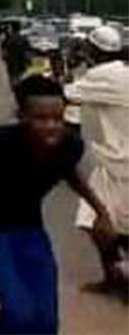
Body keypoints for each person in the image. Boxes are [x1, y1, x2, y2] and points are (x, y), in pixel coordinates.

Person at [0, 74, 115, 333]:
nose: (51, 126)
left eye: (57, 119)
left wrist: (100, 210)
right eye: (40, 118)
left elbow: (67, 171)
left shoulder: (69, 144)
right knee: (20, 314)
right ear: (22, 116)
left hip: (30, 228)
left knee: (46, 322)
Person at [64, 26, 129, 299]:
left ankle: (120, 275)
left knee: (103, 222)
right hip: (112, 163)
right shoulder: (123, 71)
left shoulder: (102, 75)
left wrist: (69, 65)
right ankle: (115, 278)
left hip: (120, 164)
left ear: (93, 50)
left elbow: (67, 93)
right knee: (99, 219)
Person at [2, 23, 30, 88]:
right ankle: (17, 84)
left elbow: (4, 49)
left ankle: (15, 85)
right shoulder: (23, 39)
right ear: (19, 29)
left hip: (12, 59)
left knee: (12, 73)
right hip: (20, 60)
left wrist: (5, 57)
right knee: (19, 73)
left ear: (12, 29)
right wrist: (28, 60)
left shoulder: (8, 39)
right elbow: (27, 50)